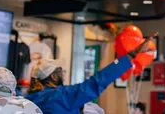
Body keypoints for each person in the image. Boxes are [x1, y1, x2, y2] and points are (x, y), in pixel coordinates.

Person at [26, 37, 155, 114]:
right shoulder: (61, 96)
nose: (63, 75)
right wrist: (132, 54)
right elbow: (97, 82)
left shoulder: (26, 99)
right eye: (60, 72)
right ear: (53, 77)